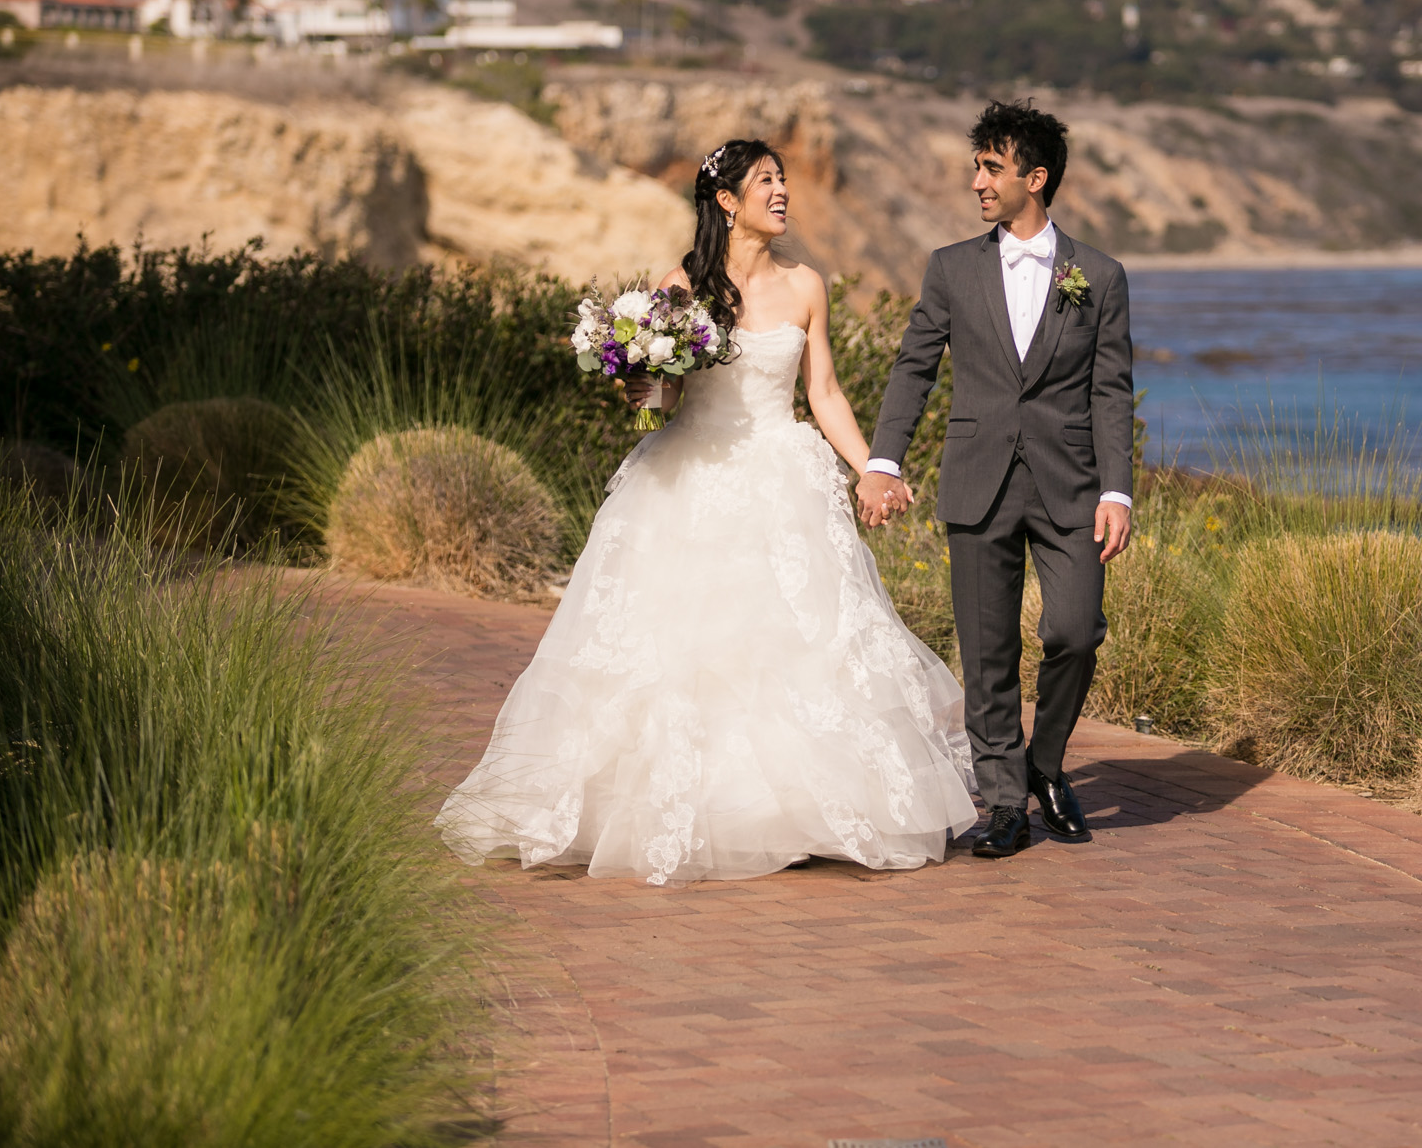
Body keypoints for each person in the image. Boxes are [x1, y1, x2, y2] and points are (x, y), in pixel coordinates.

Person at [436, 140, 977, 886]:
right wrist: (640, 375)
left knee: (795, 646)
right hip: (691, 473)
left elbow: (823, 394)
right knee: (684, 654)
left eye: (783, 179)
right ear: (728, 200)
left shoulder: (806, 284)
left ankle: (801, 812)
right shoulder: (682, 285)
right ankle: (702, 814)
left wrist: (871, 469)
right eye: (766, 181)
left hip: (783, 476)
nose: (782, 191)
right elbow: (659, 404)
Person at [858, 100, 1135, 859]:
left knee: (1076, 631)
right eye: (977, 164)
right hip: (977, 477)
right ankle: (1005, 802)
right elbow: (915, 365)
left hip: (1071, 485)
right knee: (986, 653)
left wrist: (1118, 490)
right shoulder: (951, 267)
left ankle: (1044, 764)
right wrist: (885, 459)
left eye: (992, 166)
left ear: (1034, 178)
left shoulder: (1099, 276)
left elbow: (1111, 390)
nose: (977, 179)